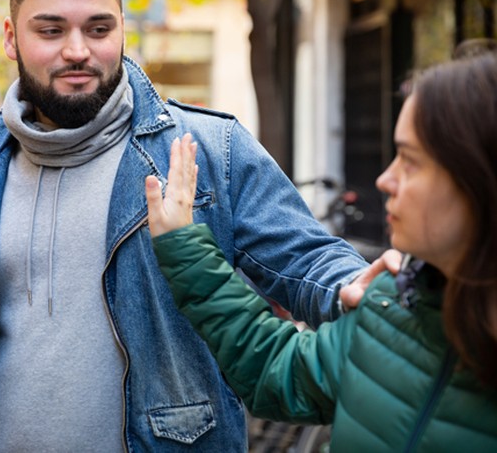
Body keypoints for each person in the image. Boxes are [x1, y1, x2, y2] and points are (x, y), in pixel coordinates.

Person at [0, 0, 388, 452]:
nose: (78, 50)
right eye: (50, 31)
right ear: (10, 38)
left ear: (123, 29)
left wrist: (354, 287)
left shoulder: (205, 150)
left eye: (98, 29)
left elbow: (308, 260)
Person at [145, 51, 497, 451]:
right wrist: (185, 247)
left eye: (411, 162)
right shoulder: (397, 306)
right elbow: (277, 372)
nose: (385, 179)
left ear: (479, 181)